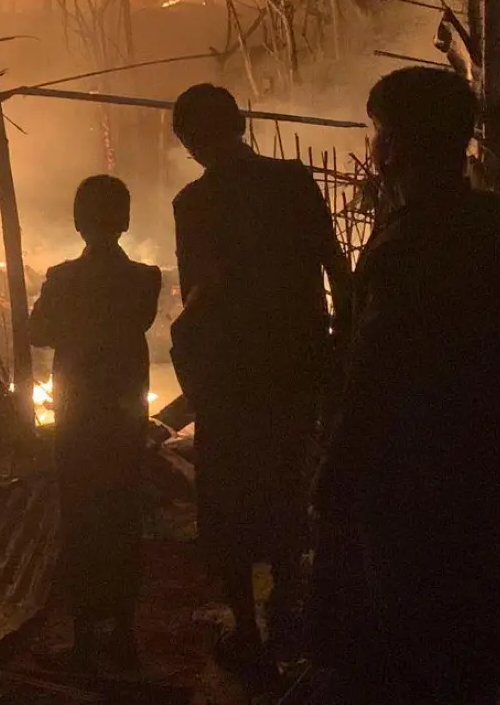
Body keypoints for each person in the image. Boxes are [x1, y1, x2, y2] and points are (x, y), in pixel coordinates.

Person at [313, 67, 500, 705]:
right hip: (488, 458)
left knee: (415, 633)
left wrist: (337, 469)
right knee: (473, 616)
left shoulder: (406, 249)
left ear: (395, 148)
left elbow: (375, 375)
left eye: (379, 134)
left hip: (411, 475)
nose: (373, 148)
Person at [168, 83, 351, 668]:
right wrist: (340, 345)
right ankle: (290, 611)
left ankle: (247, 626)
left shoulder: (193, 204)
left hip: (229, 370)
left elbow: (197, 292)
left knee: (228, 495)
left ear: (191, 143)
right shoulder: (295, 181)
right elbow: (336, 268)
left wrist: (186, 354)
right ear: (240, 123)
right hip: (296, 360)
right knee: (289, 480)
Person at [29, 175, 161, 672]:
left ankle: (85, 636)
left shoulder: (63, 278)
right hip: (125, 415)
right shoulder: (145, 278)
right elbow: (138, 323)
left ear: (78, 222)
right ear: (125, 221)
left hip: (79, 416)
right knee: (124, 516)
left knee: (81, 517)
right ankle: (124, 634)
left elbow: (40, 331)